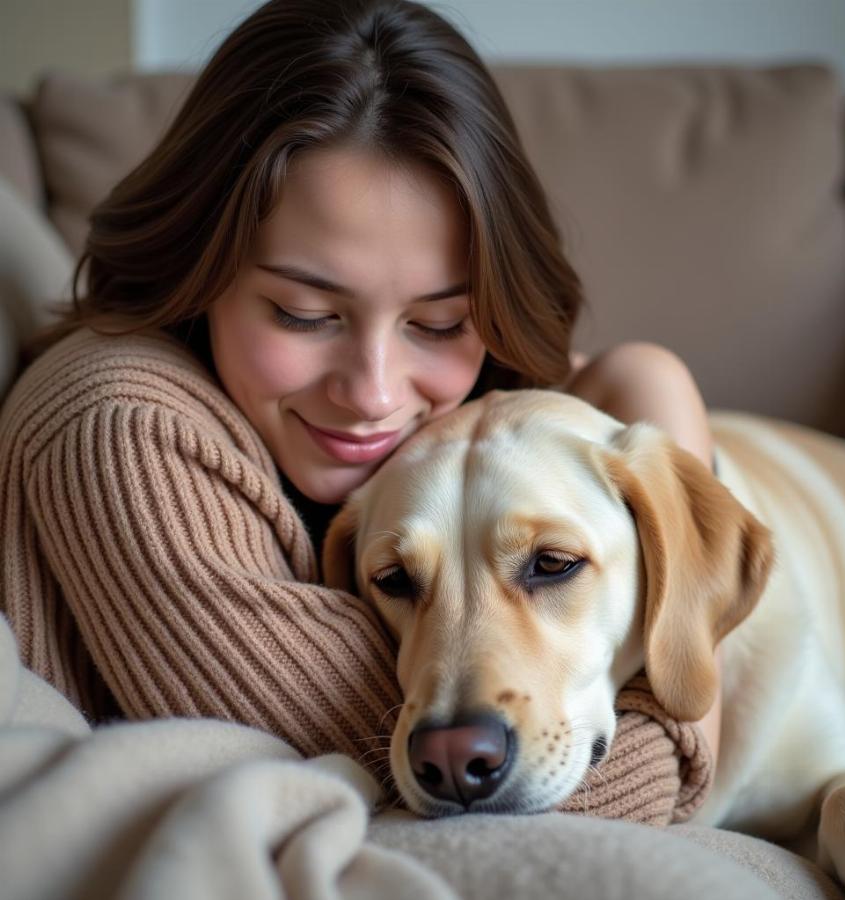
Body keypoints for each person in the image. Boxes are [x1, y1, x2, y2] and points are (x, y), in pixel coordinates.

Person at [0, 0, 720, 772]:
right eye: (303, 313)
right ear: (198, 268)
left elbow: (691, 676)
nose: (375, 395)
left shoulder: (511, 426)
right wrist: (681, 750)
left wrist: (650, 387)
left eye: (440, 323)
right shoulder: (121, 429)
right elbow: (427, 773)